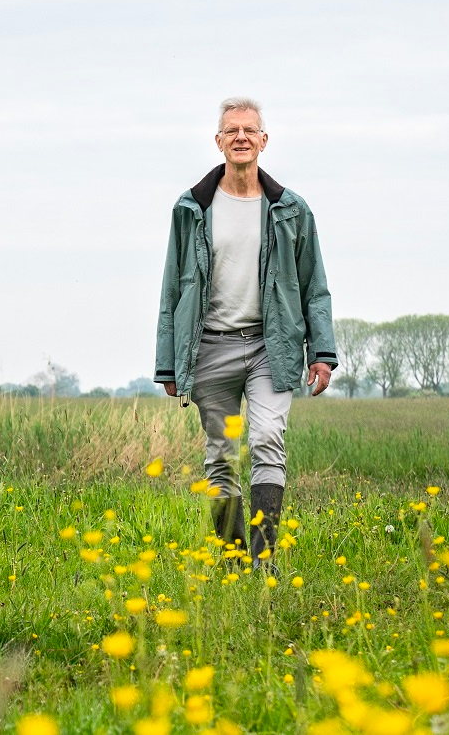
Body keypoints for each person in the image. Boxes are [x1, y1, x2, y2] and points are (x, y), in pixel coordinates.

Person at [154, 97, 337, 570]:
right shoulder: (192, 208)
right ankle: (233, 557)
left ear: (263, 141)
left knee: (267, 440)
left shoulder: (290, 210)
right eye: (231, 130)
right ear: (218, 142)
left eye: (249, 130)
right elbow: (173, 287)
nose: (240, 137)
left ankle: (264, 558)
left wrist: (322, 353)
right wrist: (168, 361)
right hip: (210, 345)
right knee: (220, 457)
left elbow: (314, 285)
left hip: (268, 347)